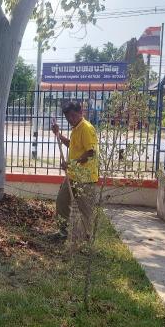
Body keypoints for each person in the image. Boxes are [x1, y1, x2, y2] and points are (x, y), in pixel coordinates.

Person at [51, 101, 99, 240]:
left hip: (86, 178)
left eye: (73, 115)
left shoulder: (86, 128)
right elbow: (72, 145)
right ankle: (64, 233)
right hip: (72, 175)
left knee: (85, 211)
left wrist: (71, 163)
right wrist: (58, 135)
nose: (70, 119)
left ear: (81, 113)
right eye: (67, 117)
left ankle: (84, 240)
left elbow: (91, 153)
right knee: (61, 202)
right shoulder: (76, 128)